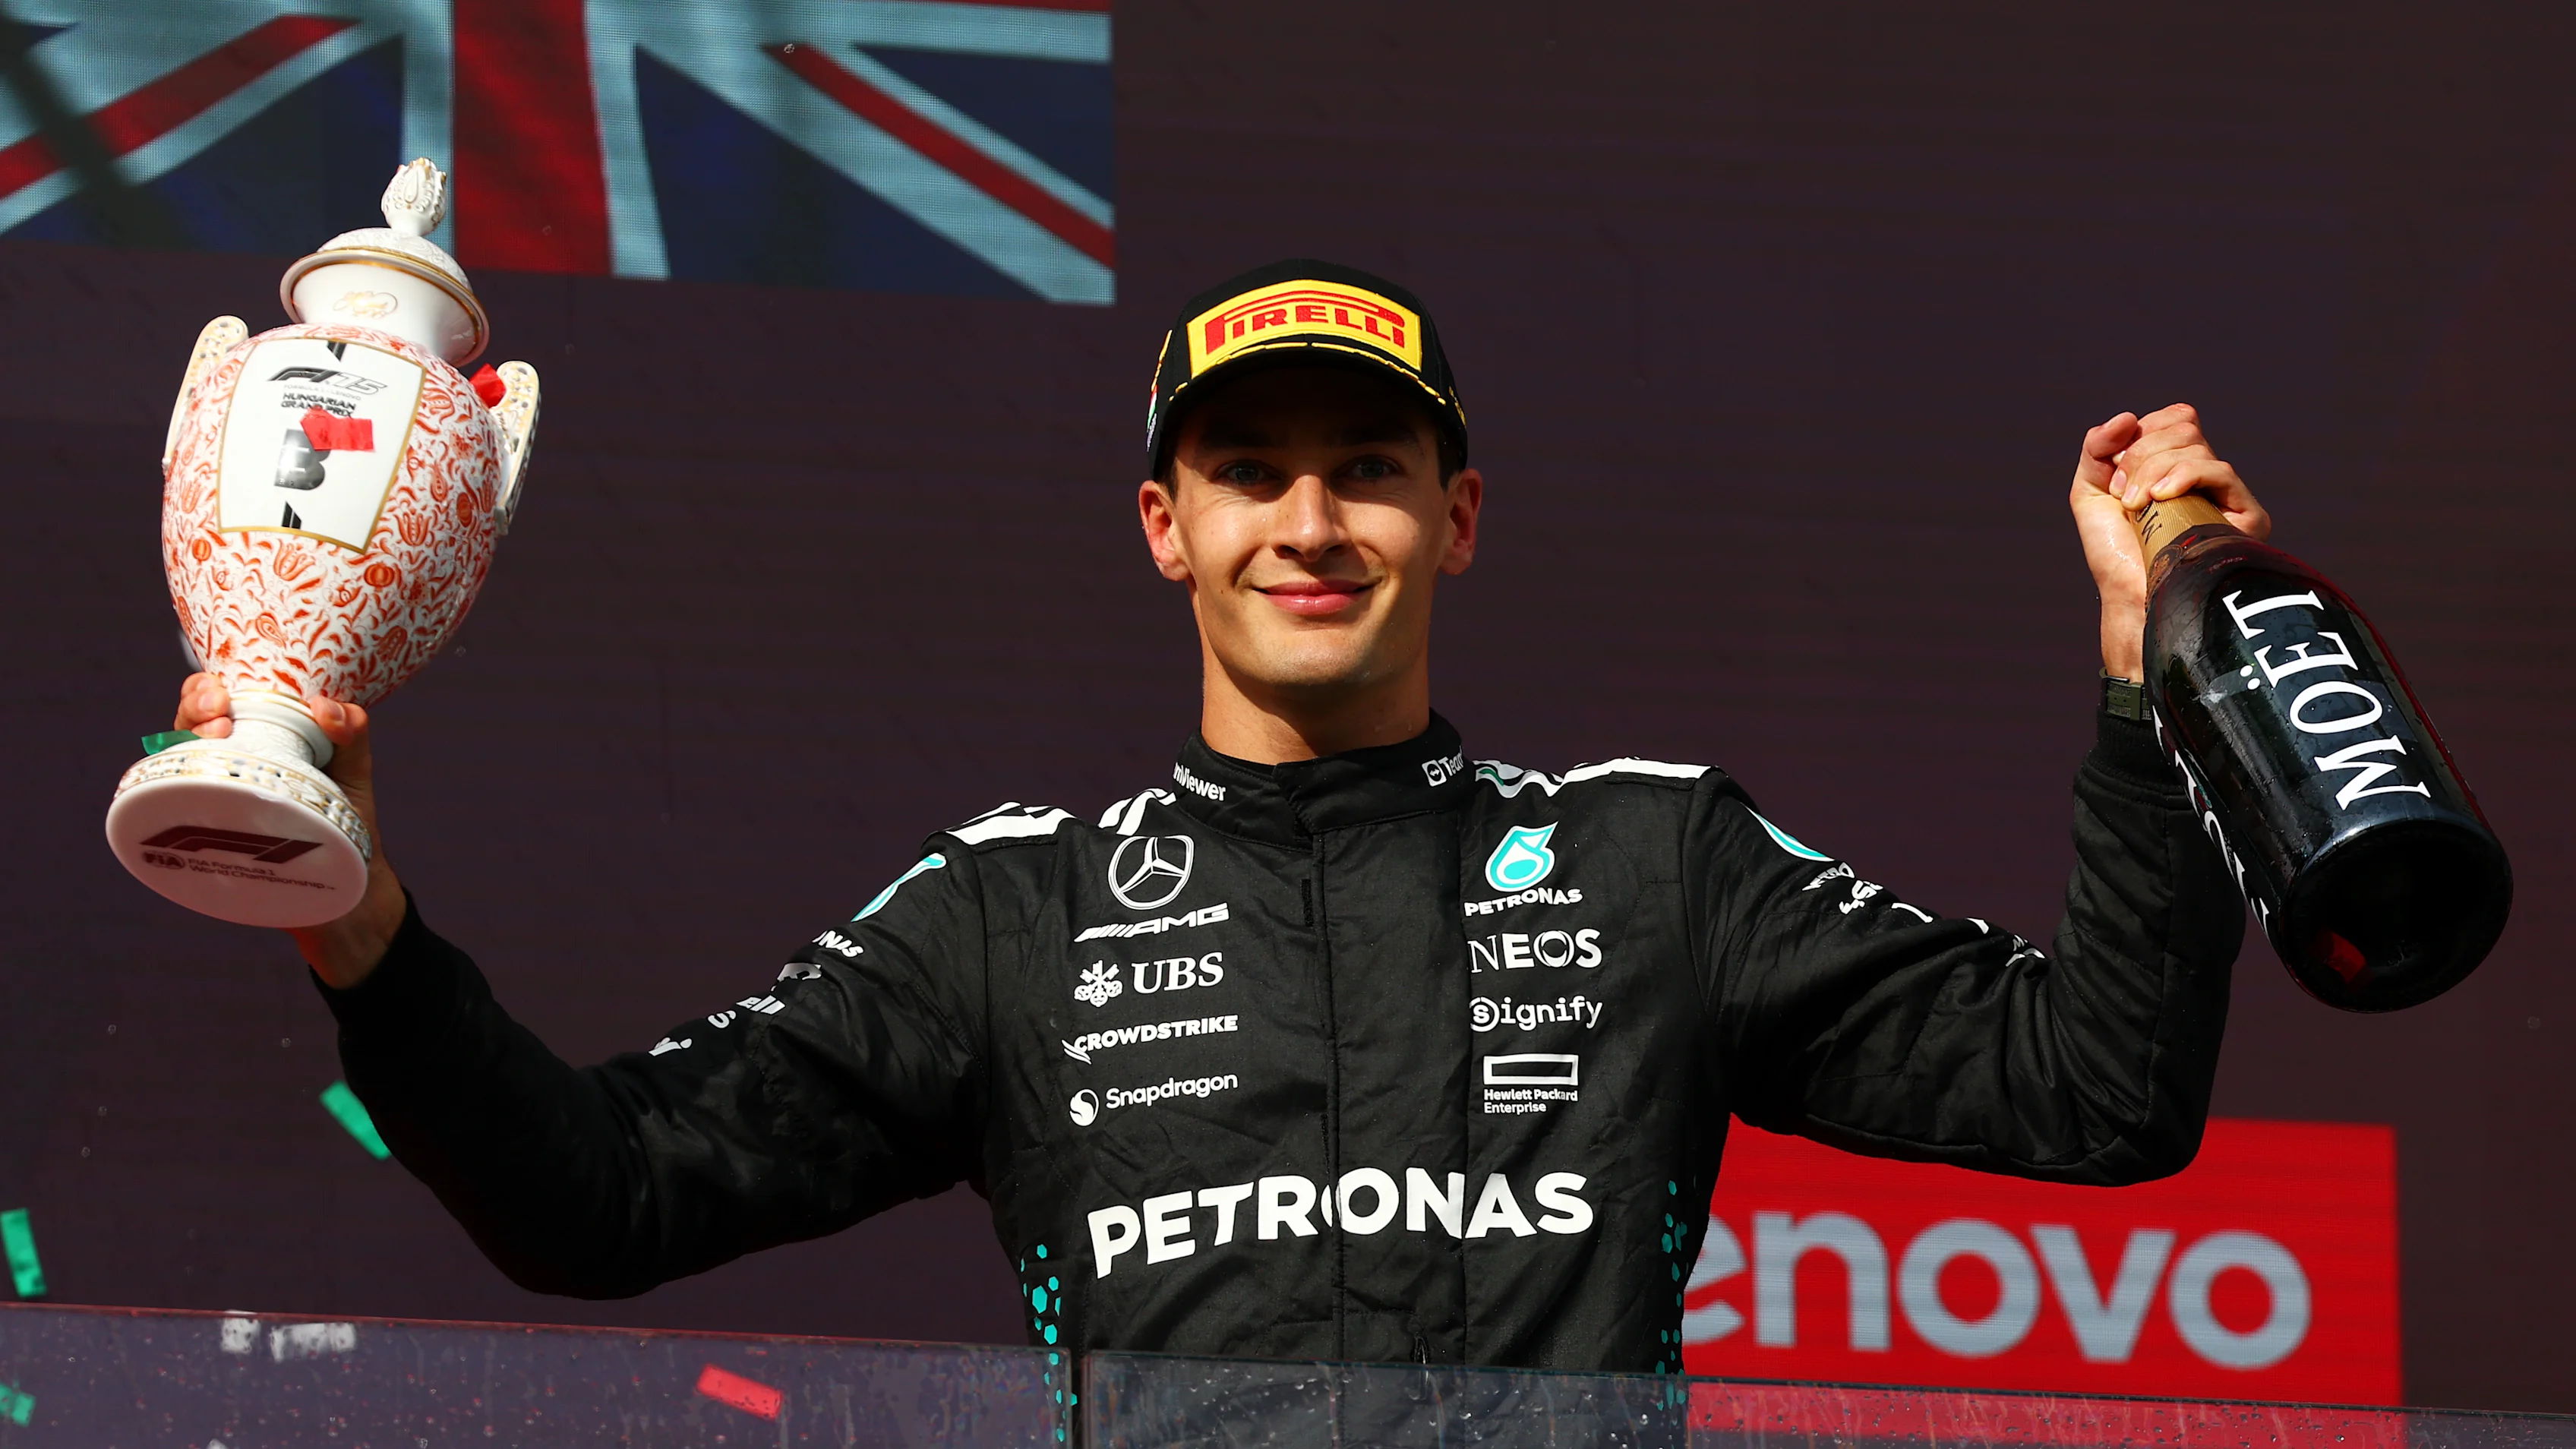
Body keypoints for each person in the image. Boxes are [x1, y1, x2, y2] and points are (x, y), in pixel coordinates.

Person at [172, 260, 2261, 1373]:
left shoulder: (1654, 862)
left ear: (1456, 515)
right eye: (1251, 471)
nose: (1312, 519)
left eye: (1367, 464)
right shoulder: (1013, 911)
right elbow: (596, 1202)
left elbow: (2099, 1091)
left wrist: (2153, 665)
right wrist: (360, 920)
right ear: (1167, 529)